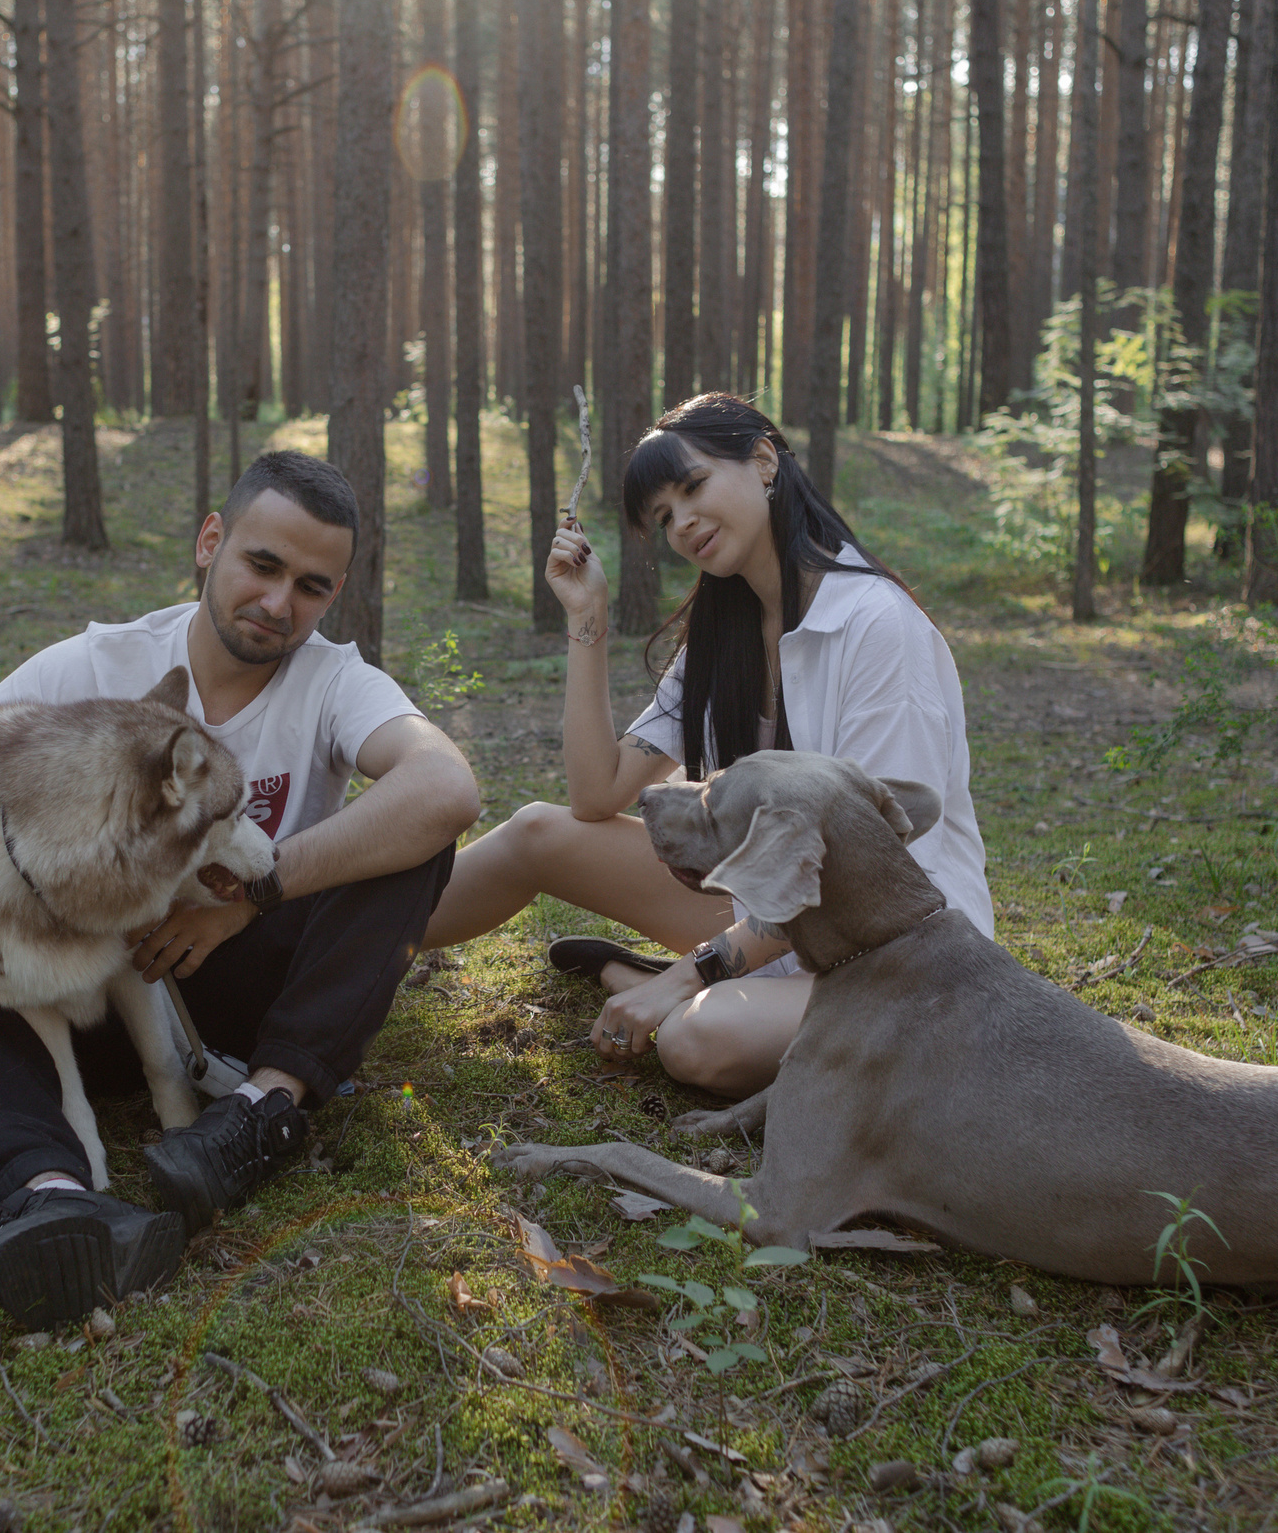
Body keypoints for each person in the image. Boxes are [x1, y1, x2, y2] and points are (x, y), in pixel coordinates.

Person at [0, 451, 480, 1326]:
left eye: (310, 586)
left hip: (238, 990)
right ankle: (47, 1196)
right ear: (210, 542)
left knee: (412, 843)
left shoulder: (336, 681)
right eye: (262, 564)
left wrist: (247, 902)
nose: (279, 602)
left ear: (336, 593)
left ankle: (259, 1115)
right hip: (77, 986)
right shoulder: (98, 664)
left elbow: (446, 786)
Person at [421, 394, 990, 1098]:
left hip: (896, 956)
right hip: (778, 919)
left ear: (763, 461)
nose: (683, 522)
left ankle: (676, 987)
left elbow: (864, 864)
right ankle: (338, 944)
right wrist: (587, 617)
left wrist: (692, 974)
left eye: (693, 487)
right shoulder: (725, 637)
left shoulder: (876, 627)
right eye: (664, 516)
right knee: (538, 830)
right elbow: (597, 793)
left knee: (699, 1038)